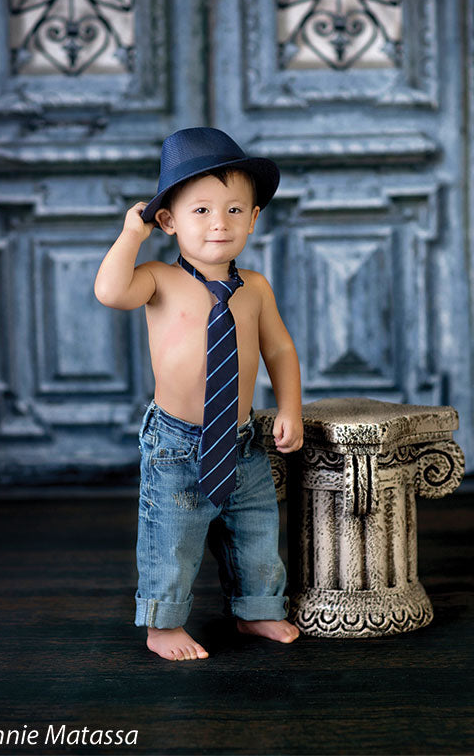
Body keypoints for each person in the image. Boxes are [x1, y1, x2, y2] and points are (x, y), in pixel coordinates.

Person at [94, 127, 303, 661]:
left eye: (235, 211)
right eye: (202, 210)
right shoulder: (158, 279)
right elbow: (110, 292)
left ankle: (257, 610)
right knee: (174, 538)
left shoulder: (254, 287)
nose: (219, 223)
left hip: (242, 439)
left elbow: (279, 350)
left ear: (255, 218)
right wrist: (130, 236)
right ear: (168, 221)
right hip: (177, 445)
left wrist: (290, 408)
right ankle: (163, 625)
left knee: (255, 531)